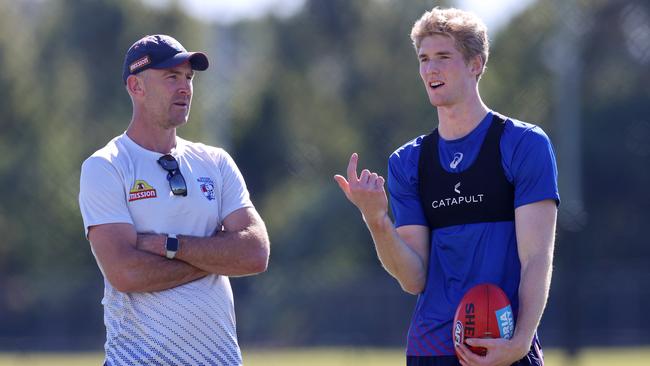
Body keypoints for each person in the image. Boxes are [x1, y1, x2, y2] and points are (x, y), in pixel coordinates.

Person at [334, 7, 558, 366]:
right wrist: (376, 220)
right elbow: (413, 278)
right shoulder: (407, 162)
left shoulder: (524, 144)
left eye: (443, 57)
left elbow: (536, 258)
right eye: (423, 59)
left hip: (505, 346)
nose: (430, 70)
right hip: (431, 351)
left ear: (476, 64)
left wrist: (519, 343)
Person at [79, 34, 270, 366]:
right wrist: (217, 256)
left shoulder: (216, 161)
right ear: (135, 87)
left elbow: (255, 254)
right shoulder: (106, 166)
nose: (185, 87)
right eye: (171, 77)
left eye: (188, 77)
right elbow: (125, 274)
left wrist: (172, 246)